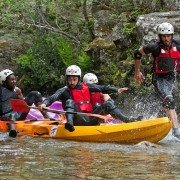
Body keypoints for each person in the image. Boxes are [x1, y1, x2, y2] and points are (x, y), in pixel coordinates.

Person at [40, 65, 142, 132]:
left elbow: (102, 88)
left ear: (78, 79)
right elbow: (51, 98)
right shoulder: (64, 90)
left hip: (90, 119)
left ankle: (128, 120)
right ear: (67, 79)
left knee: (108, 104)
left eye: (74, 79)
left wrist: (116, 90)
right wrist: (44, 104)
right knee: (70, 101)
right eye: (70, 79)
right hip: (76, 121)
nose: (72, 82)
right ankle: (69, 124)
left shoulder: (87, 86)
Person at [134, 22, 180, 139]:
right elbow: (137, 53)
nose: (166, 38)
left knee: (169, 103)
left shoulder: (178, 45)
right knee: (169, 100)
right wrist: (137, 72)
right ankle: (176, 132)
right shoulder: (155, 47)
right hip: (160, 79)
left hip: (173, 78)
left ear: (172, 35)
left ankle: (162, 123)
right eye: (163, 36)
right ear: (160, 36)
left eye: (168, 35)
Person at [0, 69, 43, 137]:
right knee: (12, 115)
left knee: (35, 94)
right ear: (4, 81)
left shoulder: (16, 90)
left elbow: (23, 103)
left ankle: (48, 118)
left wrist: (19, 95)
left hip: (18, 114)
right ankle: (12, 131)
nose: (14, 81)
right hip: (5, 116)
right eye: (11, 80)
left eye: (14, 79)